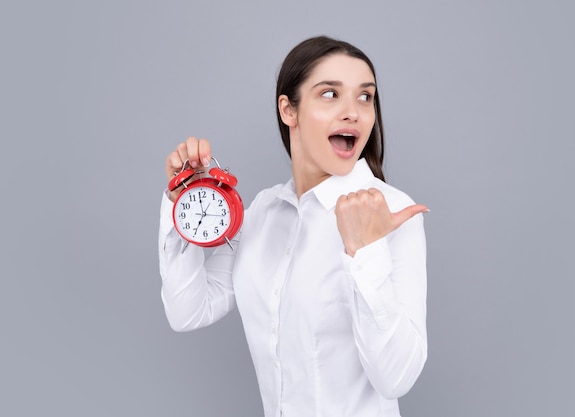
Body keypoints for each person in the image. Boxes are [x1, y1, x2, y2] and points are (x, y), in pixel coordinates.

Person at [158, 36, 429, 417]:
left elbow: (396, 378)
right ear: (289, 110)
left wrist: (364, 252)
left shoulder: (392, 212)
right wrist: (181, 203)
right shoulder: (264, 212)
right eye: (330, 94)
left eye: (365, 97)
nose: (353, 112)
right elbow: (188, 311)